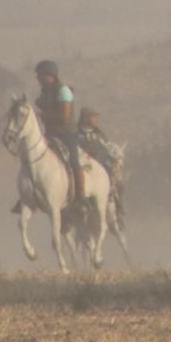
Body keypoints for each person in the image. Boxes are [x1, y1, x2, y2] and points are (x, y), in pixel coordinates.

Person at [34, 60, 84, 205]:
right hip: (50, 133)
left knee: (74, 161)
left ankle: (81, 196)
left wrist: (42, 115)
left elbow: (64, 116)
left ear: (50, 75)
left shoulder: (64, 91)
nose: (38, 79)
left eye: (40, 75)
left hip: (67, 133)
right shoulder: (46, 92)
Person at [79, 107, 125, 221]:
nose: (96, 119)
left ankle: (119, 205)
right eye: (93, 117)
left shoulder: (98, 133)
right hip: (86, 165)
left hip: (102, 163)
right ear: (85, 118)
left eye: (96, 117)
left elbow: (107, 146)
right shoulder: (77, 133)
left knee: (118, 180)